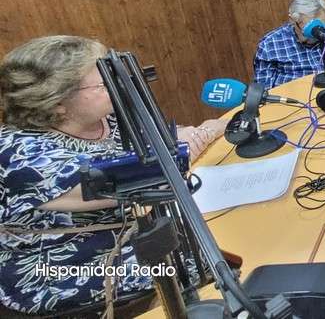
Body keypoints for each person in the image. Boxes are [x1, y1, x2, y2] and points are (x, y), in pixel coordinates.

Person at [0, 35, 226, 316]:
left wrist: (191, 137)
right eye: (103, 83)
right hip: (61, 267)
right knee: (189, 261)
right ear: (57, 102)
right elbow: (144, 175)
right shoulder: (19, 154)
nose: (116, 84)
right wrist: (207, 130)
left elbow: (165, 139)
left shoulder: (104, 119)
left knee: (208, 242)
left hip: (134, 235)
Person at [253, 0, 325, 89]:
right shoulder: (269, 45)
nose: (317, 33)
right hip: (292, 98)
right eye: (310, 27)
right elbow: (263, 91)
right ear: (293, 21)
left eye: (321, 25)